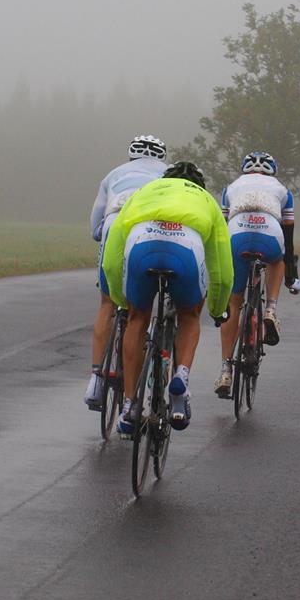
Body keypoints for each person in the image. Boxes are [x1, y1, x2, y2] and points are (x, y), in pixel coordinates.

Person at [101, 161, 233, 434]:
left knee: (138, 318)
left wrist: (121, 300)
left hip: (143, 241)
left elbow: (111, 256)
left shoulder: (145, 191)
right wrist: (218, 310)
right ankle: (181, 379)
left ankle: (129, 406)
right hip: (186, 246)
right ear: (200, 186)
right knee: (188, 315)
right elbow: (221, 269)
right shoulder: (206, 201)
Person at [83, 134, 169, 411]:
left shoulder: (114, 174)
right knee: (140, 309)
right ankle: (152, 367)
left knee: (107, 303)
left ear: (131, 156)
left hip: (115, 224)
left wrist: (101, 236)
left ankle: (96, 378)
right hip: (149, 226)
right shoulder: (168, 174)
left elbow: (96, 223)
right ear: (161, 157)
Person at [214, 151, 300, 396]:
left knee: (234, 303)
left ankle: (225, 370)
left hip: (236, 235)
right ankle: (271, 308)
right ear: (272, 170)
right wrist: (291, 277)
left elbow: (221, 231)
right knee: (277, 258)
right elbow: (289, 238)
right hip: (269, 232)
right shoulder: (283, 191)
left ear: (245, 170)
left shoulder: (231, 187)